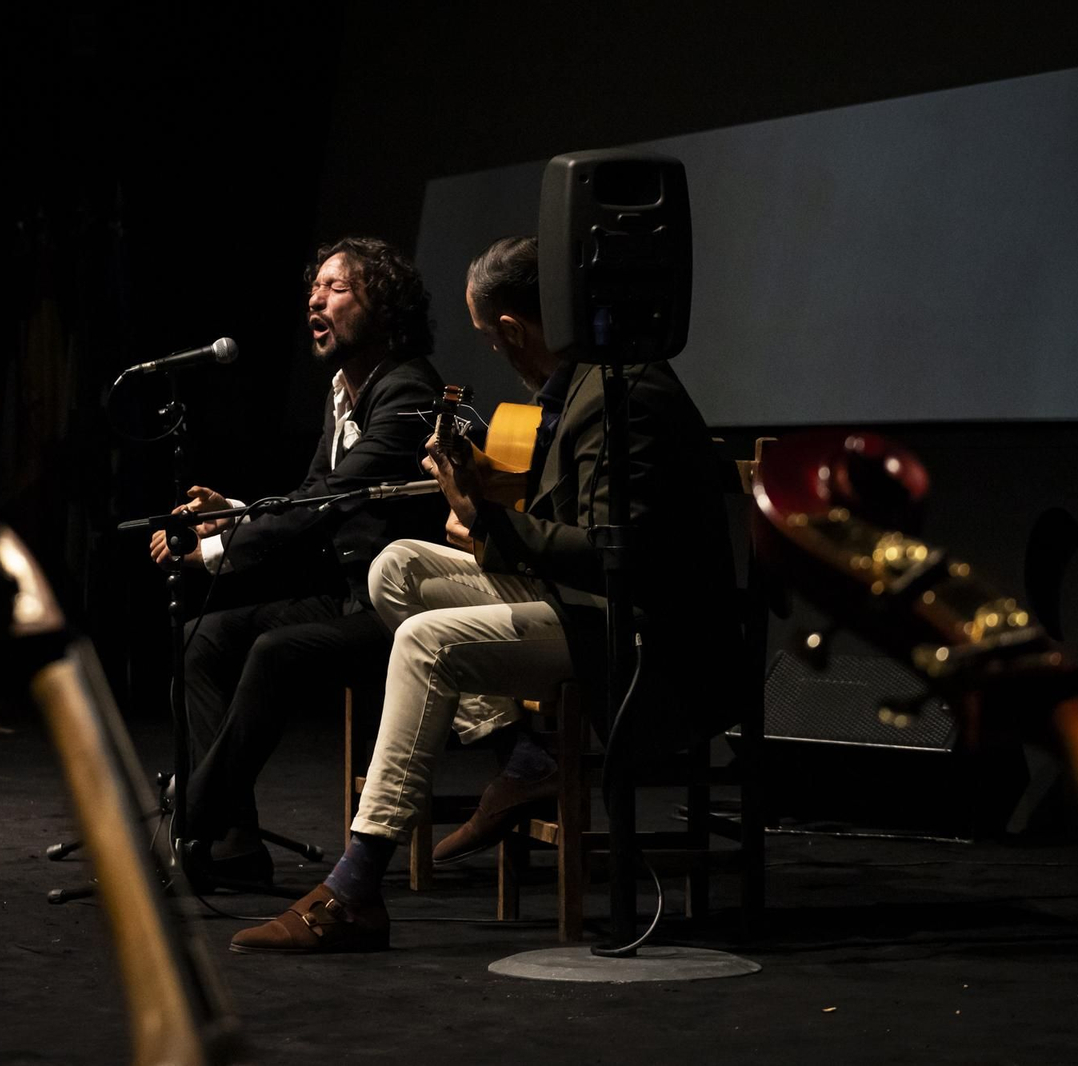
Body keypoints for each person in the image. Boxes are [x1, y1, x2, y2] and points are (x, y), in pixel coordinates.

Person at [229, 235, 739, 952]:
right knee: (398, 566)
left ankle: (355, 886)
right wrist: (486, 502)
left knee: (423, 640)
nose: (494, 356)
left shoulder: (626, 394)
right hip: (585, 604)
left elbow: (608, 557)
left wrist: (487, 520)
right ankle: (523, 757)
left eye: (490, 341)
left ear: (512, 328)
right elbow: (570, 525)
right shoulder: (578, 389)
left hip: (641, 633)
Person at [149, 237, 446, 888]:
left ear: (386, 308)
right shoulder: (343, 391)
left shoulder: (408, 393)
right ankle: (234, 845)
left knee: (275, 652)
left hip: (403, 609)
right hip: (349, 595)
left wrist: (220, 548)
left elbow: (332, 500)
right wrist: (233, 511)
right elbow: (312, 494)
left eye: (338, 288)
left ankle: (191, 818)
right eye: (314, 286)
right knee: (206, 642)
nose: (315, 297)